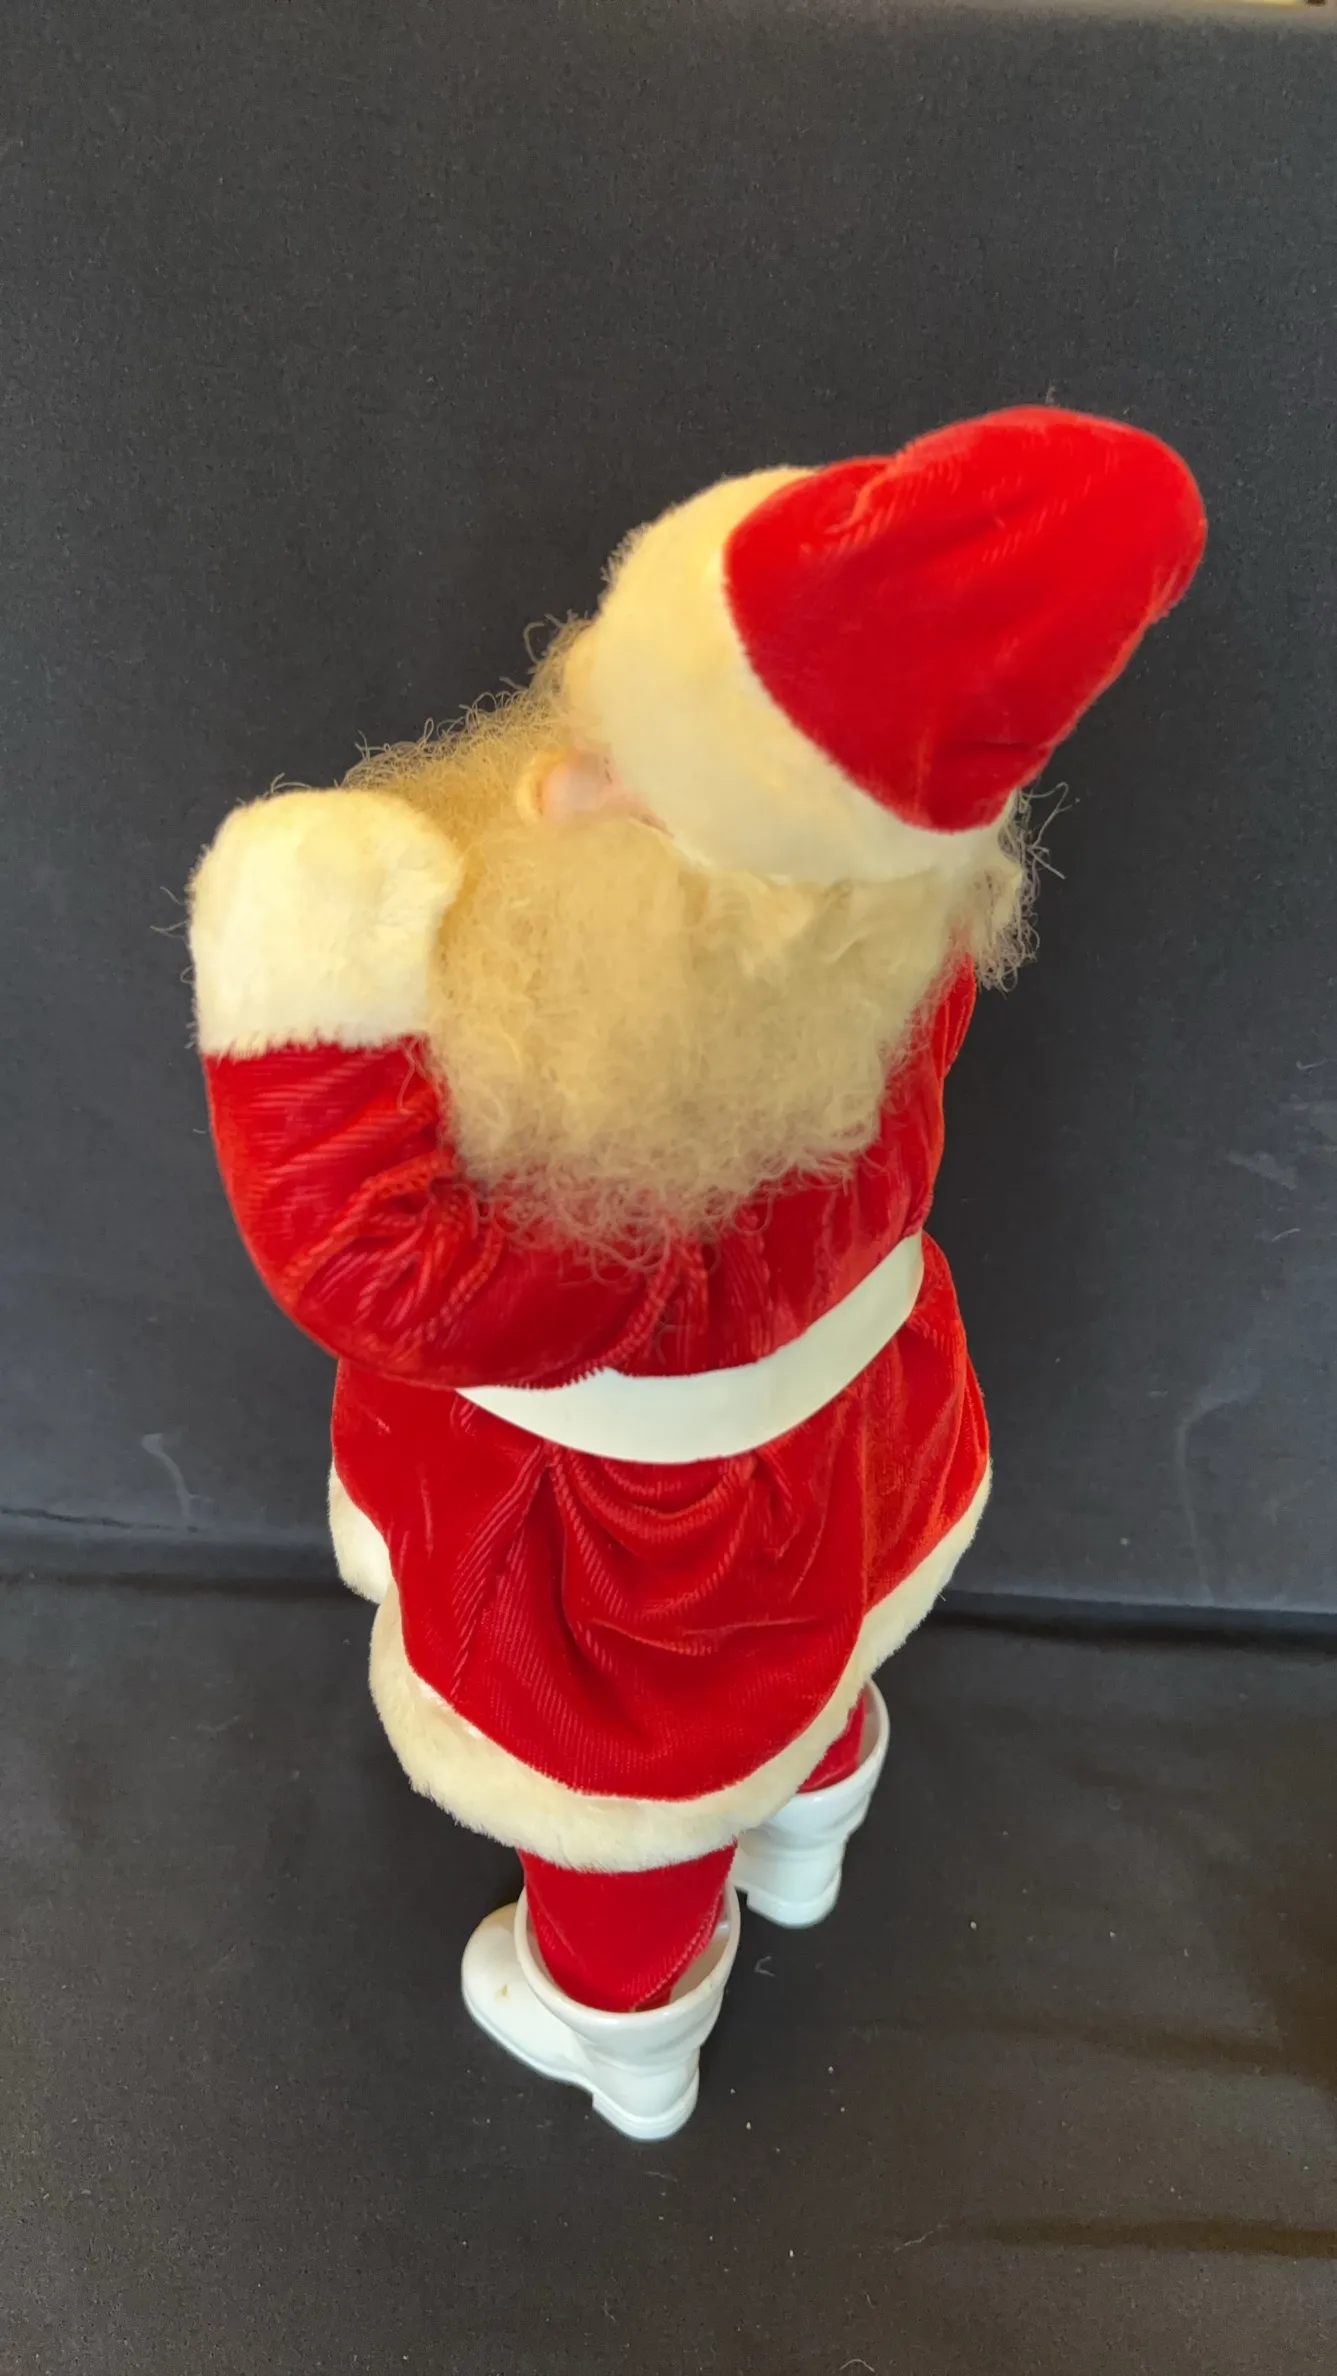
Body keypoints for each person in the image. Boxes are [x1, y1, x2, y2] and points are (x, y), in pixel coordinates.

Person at [188, 406, 1205, 2139]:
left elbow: (386, 1277)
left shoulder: (639, 1168)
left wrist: (299, 1000)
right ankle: (816, 1815)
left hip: (647, 1554)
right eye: (598, 714)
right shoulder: (885, 950)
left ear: (761, 899)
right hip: (856, 1438)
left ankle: (619, 2022)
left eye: (630, 790)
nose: (554, 786)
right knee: (816, 1656)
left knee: (641, 1799)